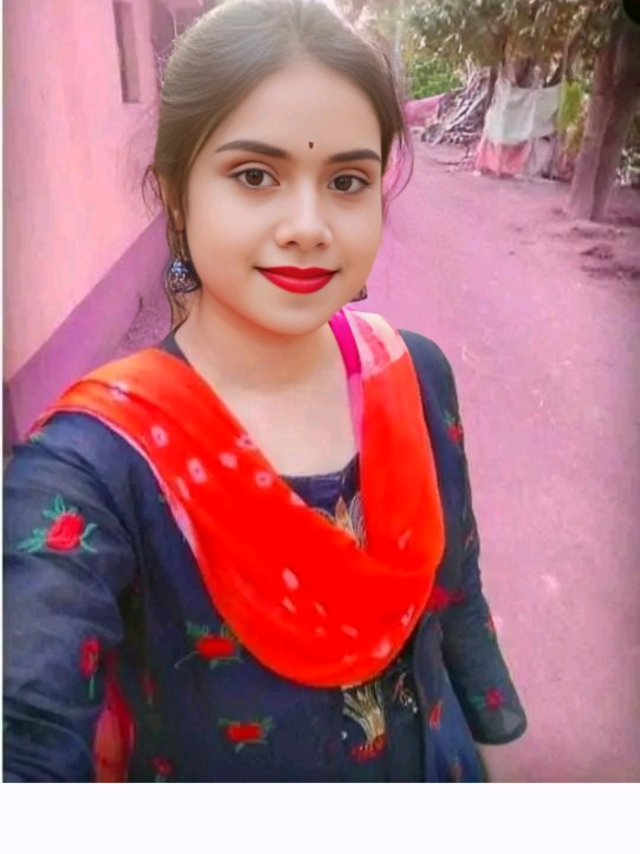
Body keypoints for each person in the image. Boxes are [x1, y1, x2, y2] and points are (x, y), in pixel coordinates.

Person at [3, 0, 526, 783]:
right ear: (176, 193)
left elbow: (457, 594)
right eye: (255, 175)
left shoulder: (414, 373)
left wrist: (502, 748)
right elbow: (27, 725)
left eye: (347, 180)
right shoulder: (95, 463)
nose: (309, 225)